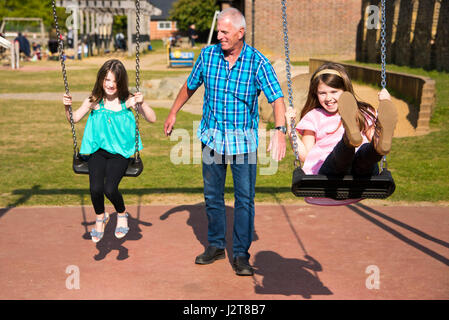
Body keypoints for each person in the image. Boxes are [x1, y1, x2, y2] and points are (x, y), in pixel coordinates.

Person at [164, 8, 286, 276]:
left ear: (240, 33)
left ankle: (241, 254)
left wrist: (280, 130)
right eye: (218, 31)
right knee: (212, 196)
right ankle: (217, 245)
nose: (219, 36)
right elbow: (190, 85)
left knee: (244, 199)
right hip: (212, 138)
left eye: (224, 32)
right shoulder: (208, 56)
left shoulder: (257, 62)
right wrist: (174, 111)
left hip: (244, 143)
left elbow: (276, 97)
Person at [62, 59, 156, 243]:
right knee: (95, 188)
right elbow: (74, 119)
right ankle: (100, 217)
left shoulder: (128, 101)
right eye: (106, 80)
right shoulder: (93, 101)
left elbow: (152, 118)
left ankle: (122, 214)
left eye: (114, 81)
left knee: (110, 188)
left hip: (120, 153)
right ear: (100, 80)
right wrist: (67, 106)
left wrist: (142, 103)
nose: (110, 85)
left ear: (121, 82)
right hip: (98, 151)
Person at [286, 62, 398, 179]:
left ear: (345, 91)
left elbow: (374, 139)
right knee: (345, 158)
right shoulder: (314, 116)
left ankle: (356, 140)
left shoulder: (362, 111)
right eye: (322, 93)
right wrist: (290, 127)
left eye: (334, 92)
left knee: (367, 153)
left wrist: (385, 103)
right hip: (329, 173)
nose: (328, 98)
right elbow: (305, 155)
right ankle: (349, 139)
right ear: (315, 94)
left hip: (358, 174)